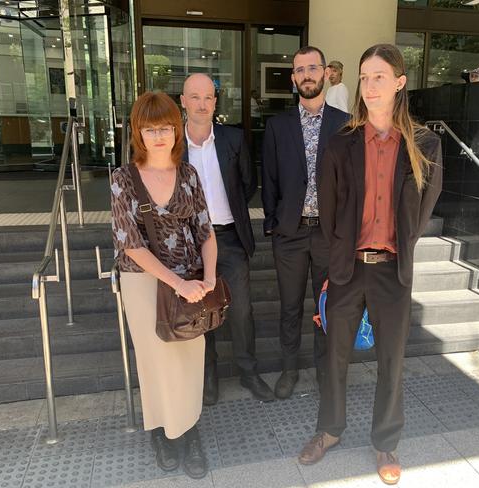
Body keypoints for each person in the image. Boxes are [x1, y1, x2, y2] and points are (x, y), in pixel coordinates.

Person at [298, 44, 442, 485]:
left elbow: (423, 208)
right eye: (364, 77)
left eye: (380, 76)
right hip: (347, 268)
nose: (370, 84)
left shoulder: (423, 143)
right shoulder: (342, 143)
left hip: (392, 271)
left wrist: (399, 246)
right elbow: (329, 208)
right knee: (333, 356)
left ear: (400, 82)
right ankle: (330, 430)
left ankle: (385, 440)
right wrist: (332, 267)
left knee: (391, 360)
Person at [110, 91, 216, 479]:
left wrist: (207, 277)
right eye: (150, 128)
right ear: (138, 132)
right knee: (155, 358)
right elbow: (130, 244)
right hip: (143, 282)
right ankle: (162, 430)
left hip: (191, 280)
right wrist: (177, 284)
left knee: (189, 356)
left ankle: (188, 429)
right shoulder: (123, 179)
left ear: (176, 129)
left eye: (166, 127)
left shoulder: (188, 174)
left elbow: (206, 231)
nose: (159, 136)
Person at [180, 73, 274, 405]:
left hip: (230, 238)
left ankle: (248, 373)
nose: (202, 104)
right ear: (183, 101)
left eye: (208, 97)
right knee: (202, 314)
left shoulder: (233, 139)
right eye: (195, 97)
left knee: (242, 311)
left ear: (215, 102)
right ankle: (209, 377)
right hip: (191, 245)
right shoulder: (173, 144)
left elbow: (248, 185)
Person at [262, 46, 349, 399]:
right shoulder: (277, 125)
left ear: (326, 72)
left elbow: (352, 182)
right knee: (290, 306)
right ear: (294, 78)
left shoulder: (344, 124)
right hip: (290, 233)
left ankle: (325, 371)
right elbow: (268, 178)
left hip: (329, 234)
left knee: (327, 306)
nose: (306, 75)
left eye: (313, 68)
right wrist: (272, 222)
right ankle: (288, 370)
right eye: (300, 70)